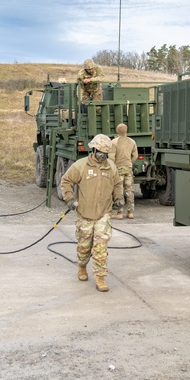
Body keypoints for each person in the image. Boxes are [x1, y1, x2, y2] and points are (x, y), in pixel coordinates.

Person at [60, 134, 123, 292]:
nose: (102, 156)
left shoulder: (111, 167)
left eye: (105, 153)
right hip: (85, 214)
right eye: (100, 152)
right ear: (93, 150)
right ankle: (82, 266)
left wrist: (119, 198)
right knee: (84, 247)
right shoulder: (81, 166)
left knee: (100, 247)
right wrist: (69, 199)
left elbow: (117, 185)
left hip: (104, 214)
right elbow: (66, 181)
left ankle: (100, 278)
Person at [111, 123, 138, 220]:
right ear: (126, 130)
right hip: (128, 168)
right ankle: (130, 212)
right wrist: (130, 162)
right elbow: (135, 155)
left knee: (119, 190)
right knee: (129, 190)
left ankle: (119, 213)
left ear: (117, 131)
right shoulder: (132, 141)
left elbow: (111, 157)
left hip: (118, 169)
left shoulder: (114, 142)